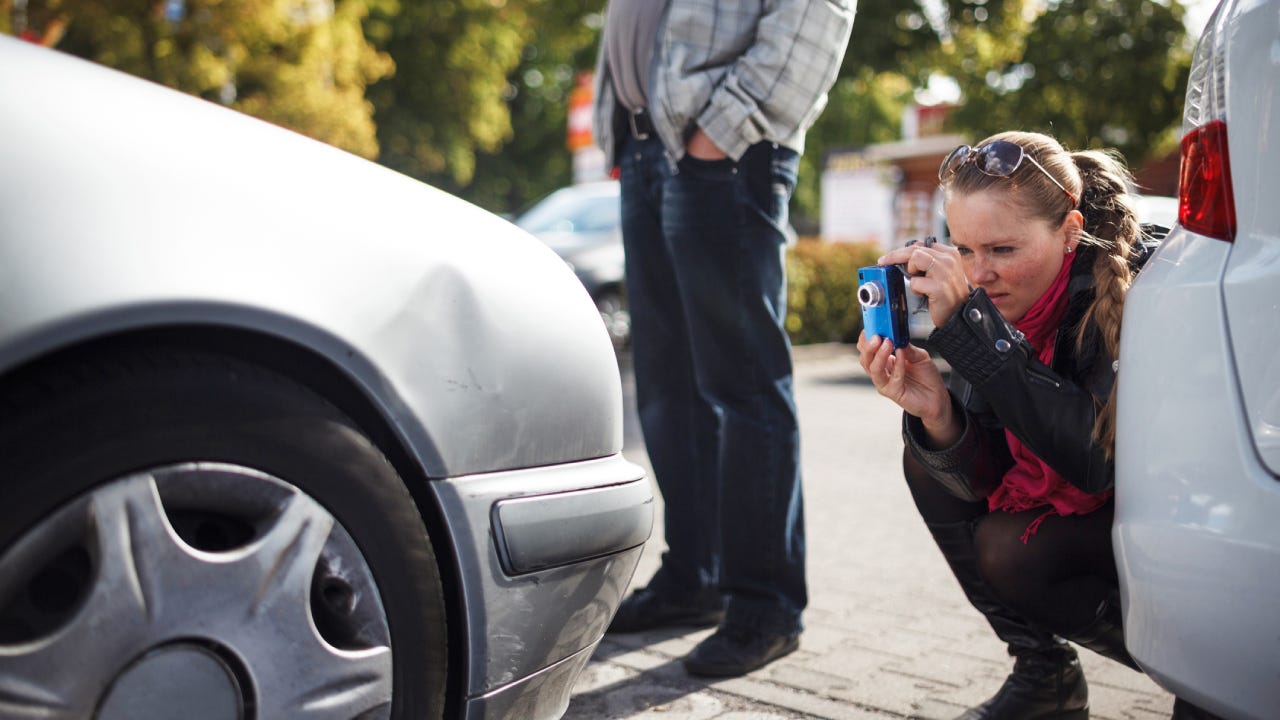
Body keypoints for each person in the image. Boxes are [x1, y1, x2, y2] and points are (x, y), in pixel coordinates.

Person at [858, 131, 1222, 720]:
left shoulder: (1137, 285)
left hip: (1190, 518)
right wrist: (939, 415)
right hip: (1122, 511)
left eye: (1002, 249)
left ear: (1070, 231)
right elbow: (986, 468)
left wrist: (981, 340)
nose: (980, 274)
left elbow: (1100, 464)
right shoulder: (998, 303)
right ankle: (1043, 677)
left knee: (1014, 552)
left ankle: (1214, 676)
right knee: (928, 460)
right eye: (965, 249)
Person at [591, 0, 855, 678]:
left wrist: (722, 132)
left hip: (722, 151)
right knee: (667, 388)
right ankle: (695, 577)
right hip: (649, 148)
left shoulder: (721, 141)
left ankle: (765, 606)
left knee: (742, 386)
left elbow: (816, 14)